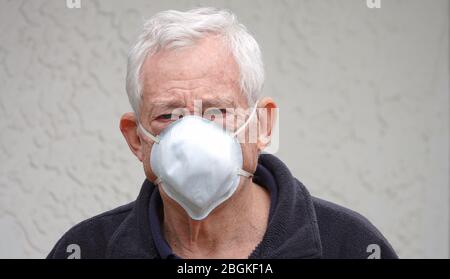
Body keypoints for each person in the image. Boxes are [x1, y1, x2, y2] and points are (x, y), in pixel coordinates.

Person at [47, 7, 397, 259]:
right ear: (136, 139)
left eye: (218, 112)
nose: (193, 133)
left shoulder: (350, 246)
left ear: (262, 125)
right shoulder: (86, 250)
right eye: (168, 115)